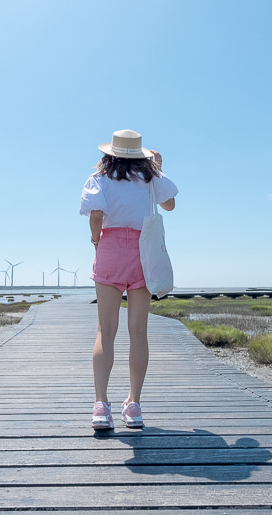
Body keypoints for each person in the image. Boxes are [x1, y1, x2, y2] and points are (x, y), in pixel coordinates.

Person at [79, 129, 178, 430]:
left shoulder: (99, 179)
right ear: (140, 155)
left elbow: (96, 215)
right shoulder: (149, 179)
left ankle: (100, 405)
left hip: (110, 249)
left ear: (110, 153)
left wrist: (97, 241)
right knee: (138, 332)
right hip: (143, 252)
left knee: (105, 330)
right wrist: (158, 170)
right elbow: (170, 204)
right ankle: (133, 405)